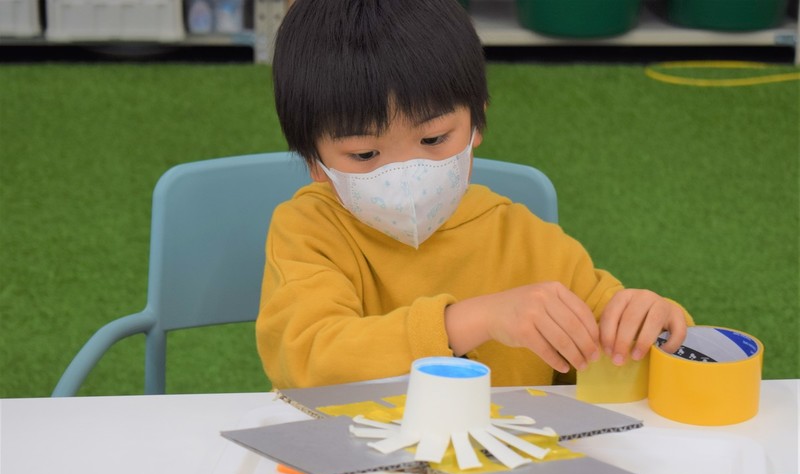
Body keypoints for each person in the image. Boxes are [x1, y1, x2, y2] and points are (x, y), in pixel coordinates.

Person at [256, 0, 690, 389]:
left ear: (476, 123)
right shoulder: (308, 232)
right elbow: (308, 357)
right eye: (365, 154)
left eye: (434, 139)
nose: (404, 175)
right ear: (314, 160)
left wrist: (651, 325)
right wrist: (476, 319)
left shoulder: (527, 242)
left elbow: (619, 349)